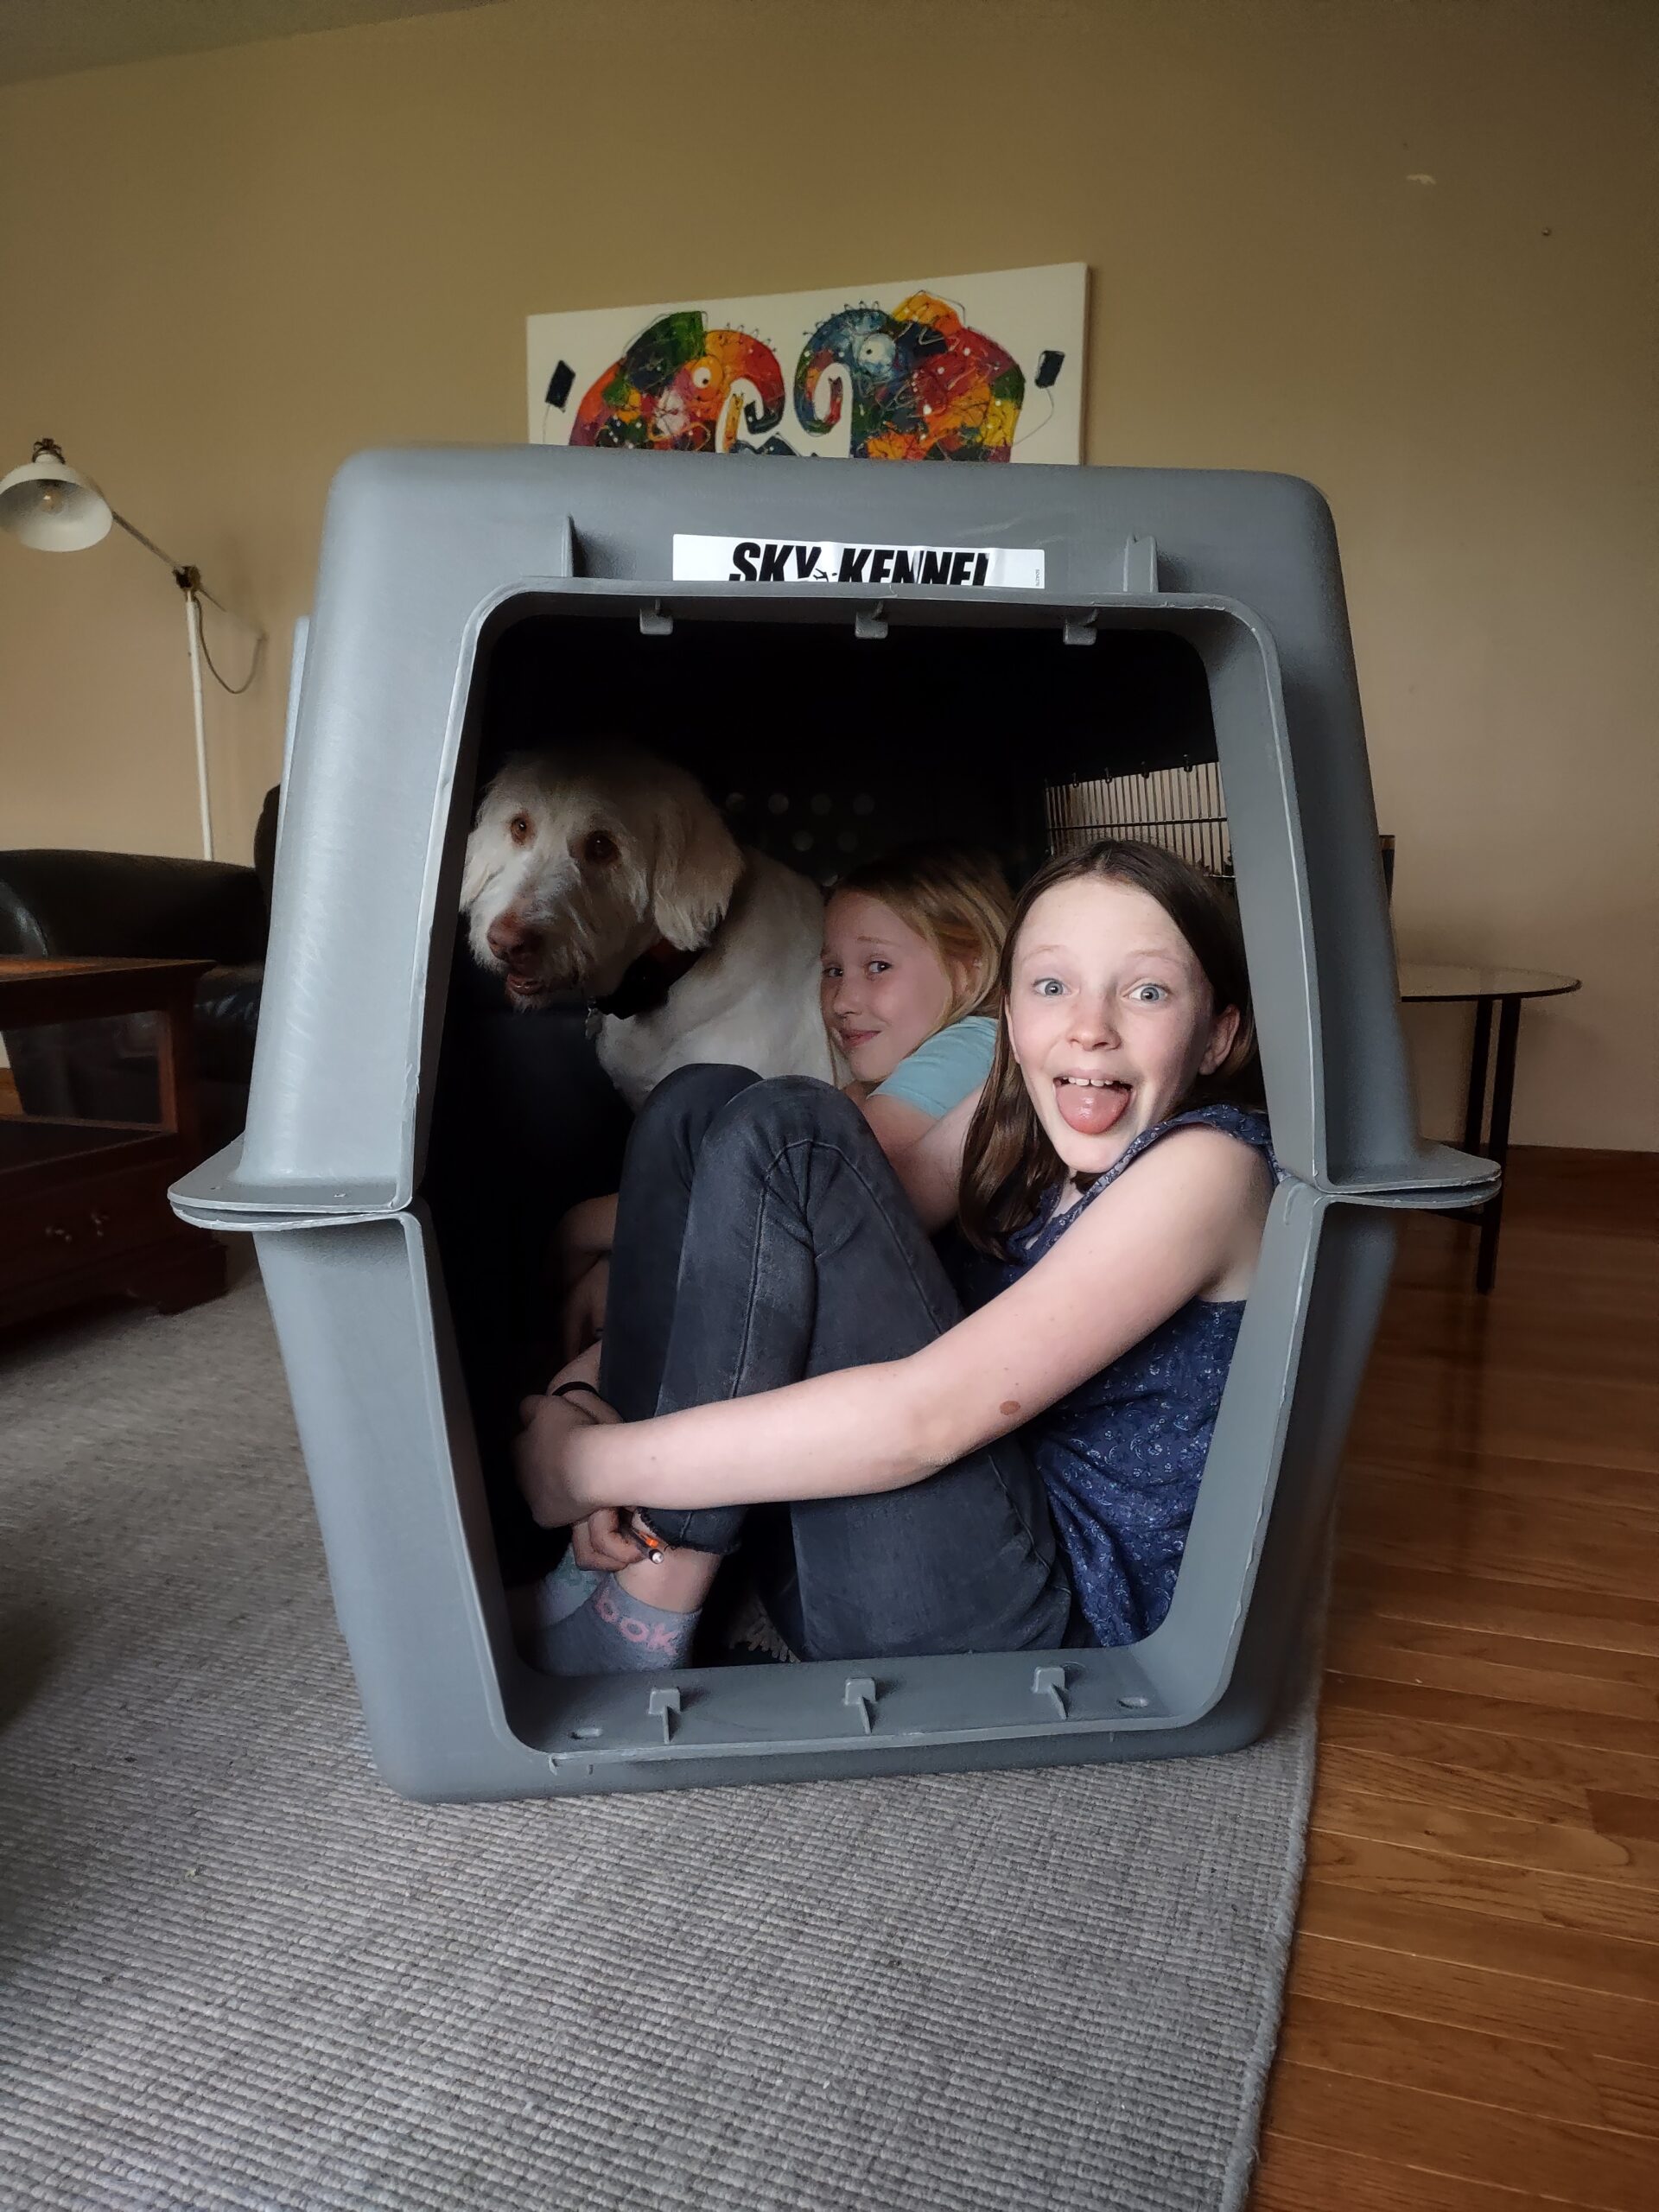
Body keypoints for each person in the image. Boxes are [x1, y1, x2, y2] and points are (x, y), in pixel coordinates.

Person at [516, 839, 1275, 1674]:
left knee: (792, 1133)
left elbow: (924, 1420)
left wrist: (582, 1463)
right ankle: (632, 1549)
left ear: (1217, 1035)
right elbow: (787, 1246)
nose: (1089, 1029)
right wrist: (599, 1383)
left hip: (1021, 1630)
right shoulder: (1021, 1096)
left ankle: (648, 1603)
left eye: (1147, 991)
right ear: (1012, 1018)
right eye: (1053, 987)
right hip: (854, 1566)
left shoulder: (1211, 1167)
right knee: (701, 1104)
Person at [554, 843, 1012, 1357]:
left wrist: (582, 1228)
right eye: (833, 970)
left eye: (878, 966)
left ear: (969, 972)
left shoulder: (977, 1044)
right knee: (700, 1099)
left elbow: (795, 1196)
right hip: (871, 1328)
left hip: (912, 1350)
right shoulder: (895, 1076)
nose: (841, 1001)